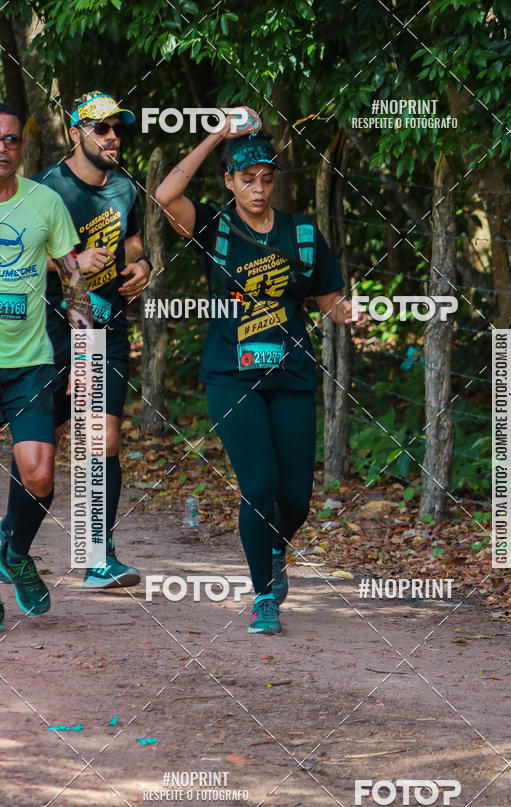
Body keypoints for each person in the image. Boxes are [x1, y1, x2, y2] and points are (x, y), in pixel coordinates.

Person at [155, 107, 364, 635]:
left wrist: (348, 312)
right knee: (260, 485)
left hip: (290, 374)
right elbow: (164, 197)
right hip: (231, 374)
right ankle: (264, 596)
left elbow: (327, 299)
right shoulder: (214, 227)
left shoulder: (303, 233)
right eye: (247, 179)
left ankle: (275, 549)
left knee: (295, 497)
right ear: (229, 180)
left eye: (266, 179)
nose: (257, 189)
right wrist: (216, 136)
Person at [30, 91, 151, 589]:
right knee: (40, 445)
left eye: (117, 129)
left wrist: (141, 266)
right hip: (55, 326)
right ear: (77, 132)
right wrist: (72, 264)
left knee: (104, 438)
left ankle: (99, 557)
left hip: (109, 325)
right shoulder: (43, 190)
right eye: (101, 129)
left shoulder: (125, 188)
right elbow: (20, 263)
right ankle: (12, 543)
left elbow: (134, 243)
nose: (113, 137)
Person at [0, 102, 93, 627]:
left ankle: (14, 552)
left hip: (30, 364)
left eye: (12, 139)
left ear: (22, 146)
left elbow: (73, 274)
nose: (3, 148)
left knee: (37, 476)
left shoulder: (45, 203)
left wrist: (81, 347)